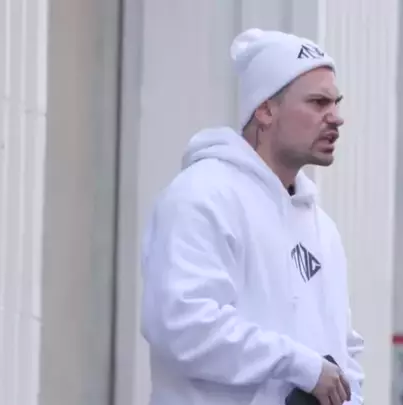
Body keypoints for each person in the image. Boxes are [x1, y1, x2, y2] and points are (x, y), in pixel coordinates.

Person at [140, 28, 364, 405]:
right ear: (265, 110)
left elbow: (345, 350)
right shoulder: (202, 195)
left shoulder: (321, 227)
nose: (336, 118)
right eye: (318, 103)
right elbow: (183, 325)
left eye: (336, 103)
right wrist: (302, 366)